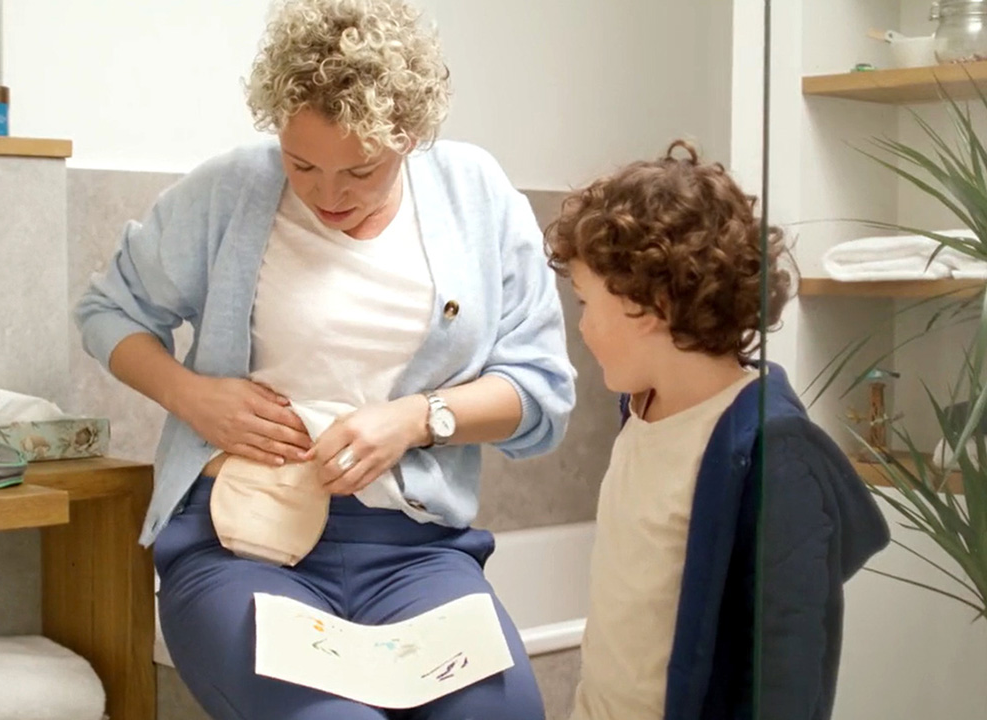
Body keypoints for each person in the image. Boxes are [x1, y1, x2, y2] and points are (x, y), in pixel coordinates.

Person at [73, 0, 576, 717]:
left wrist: (416, 419)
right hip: (241, 547)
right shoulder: (229, 191)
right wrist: (192, 396)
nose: (328, 194)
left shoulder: (476, 194)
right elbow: (107, 311)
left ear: (408, 136)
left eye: (361, 170)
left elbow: (540, 392)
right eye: (301, 163)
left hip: (415, 556)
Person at [544, 140, 889, 720]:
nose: (580, 327)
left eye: (584, 302)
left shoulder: (770, 451)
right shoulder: (641, 407)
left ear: (648, 304)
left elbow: (789, 675)